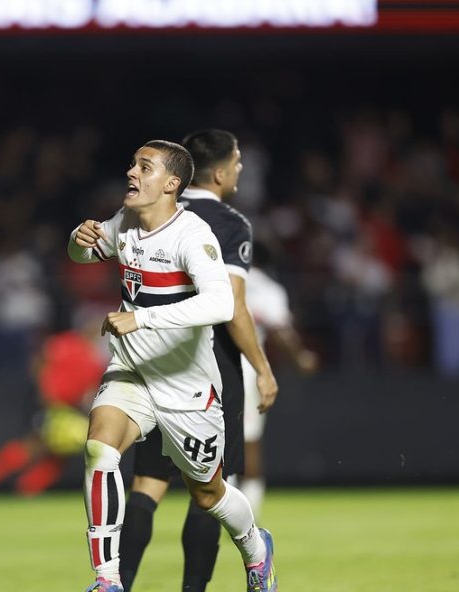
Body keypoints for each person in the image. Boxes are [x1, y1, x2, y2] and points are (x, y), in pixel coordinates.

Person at [68, 139, 276, 592]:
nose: (131, 173)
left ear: (172, 184)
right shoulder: (124, 221)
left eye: (144, 167)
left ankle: (256, 548)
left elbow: (221, 302)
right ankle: (107, 580)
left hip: (187, 387)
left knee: (208, 493)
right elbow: (84, 253)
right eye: (132, 164)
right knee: (99, 448)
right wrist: (78, 241)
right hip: (133, 372)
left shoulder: (192, 234)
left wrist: (141, 317)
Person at [231, 264, 319, 519]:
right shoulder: (266, 288)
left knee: (218, 443)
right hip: (247, 367)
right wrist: (300, 358)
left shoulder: (208, 270)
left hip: (205, 366)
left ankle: (222, 511)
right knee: (249, 442)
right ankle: (245, 515)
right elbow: (280, 329)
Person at [0, 326, 106, 495]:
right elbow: (39, 362)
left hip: (69, 410)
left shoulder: (93, 359)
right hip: (50, 404)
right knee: (36, 445)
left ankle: (25, 486)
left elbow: (90, 390)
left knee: (58, 453)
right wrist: (43, 388)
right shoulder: (66, 344)